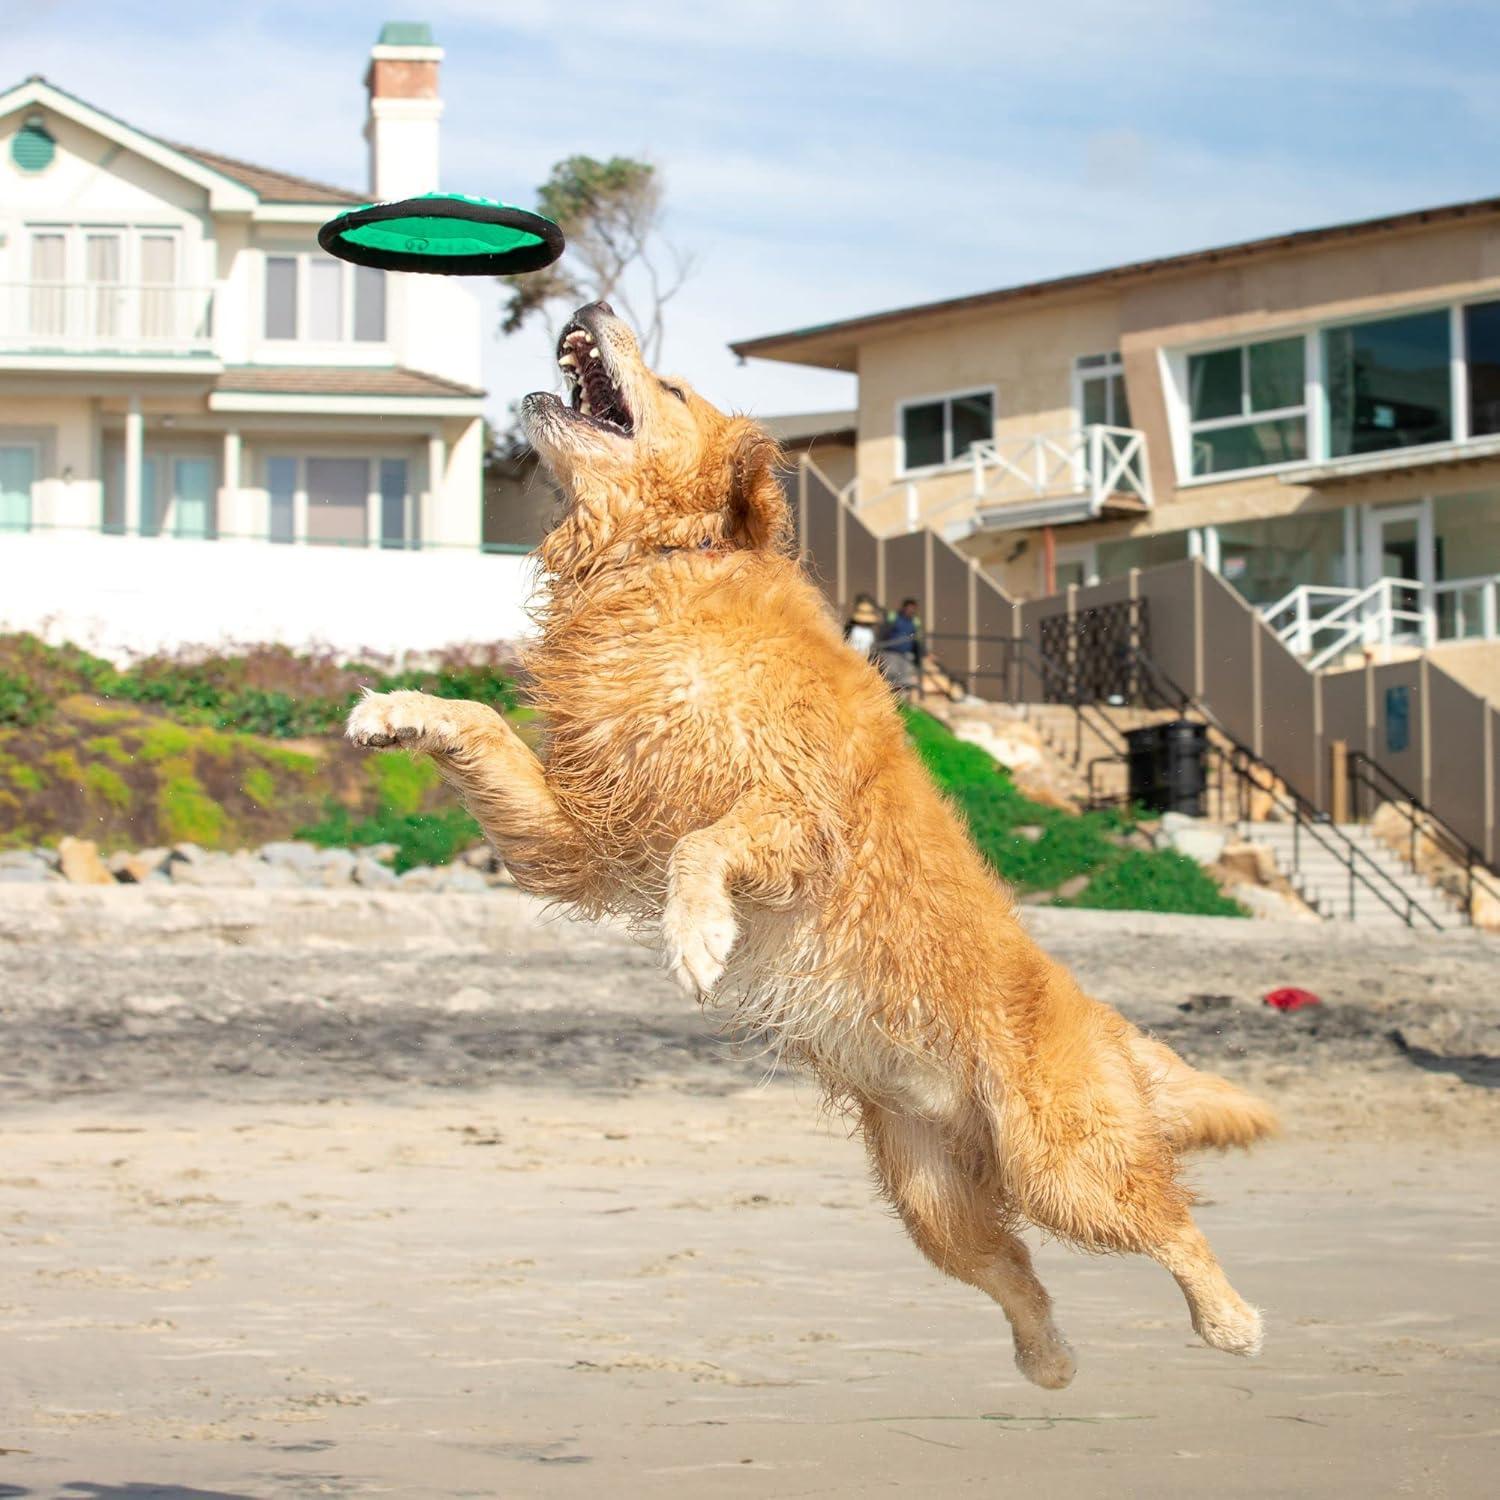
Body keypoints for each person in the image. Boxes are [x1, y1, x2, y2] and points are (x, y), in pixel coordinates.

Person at [877, 598, 924, 695]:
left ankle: (903, 699)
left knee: (905, 679)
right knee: (891, 676)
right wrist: (880, 649)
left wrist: (923, 653)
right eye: (909, 608)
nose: (911, 611)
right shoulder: (894, 618)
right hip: (891, 653)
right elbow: (883, 633)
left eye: (913, 609)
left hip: (906, 655)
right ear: (904, 608)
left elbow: (917, 639)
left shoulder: (914, 622)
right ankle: (890, 697)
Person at [843, 594, 883, 659]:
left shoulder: (870, 631)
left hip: (866, 657)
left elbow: (872, 646)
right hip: (852, 656)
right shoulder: (852, 629)